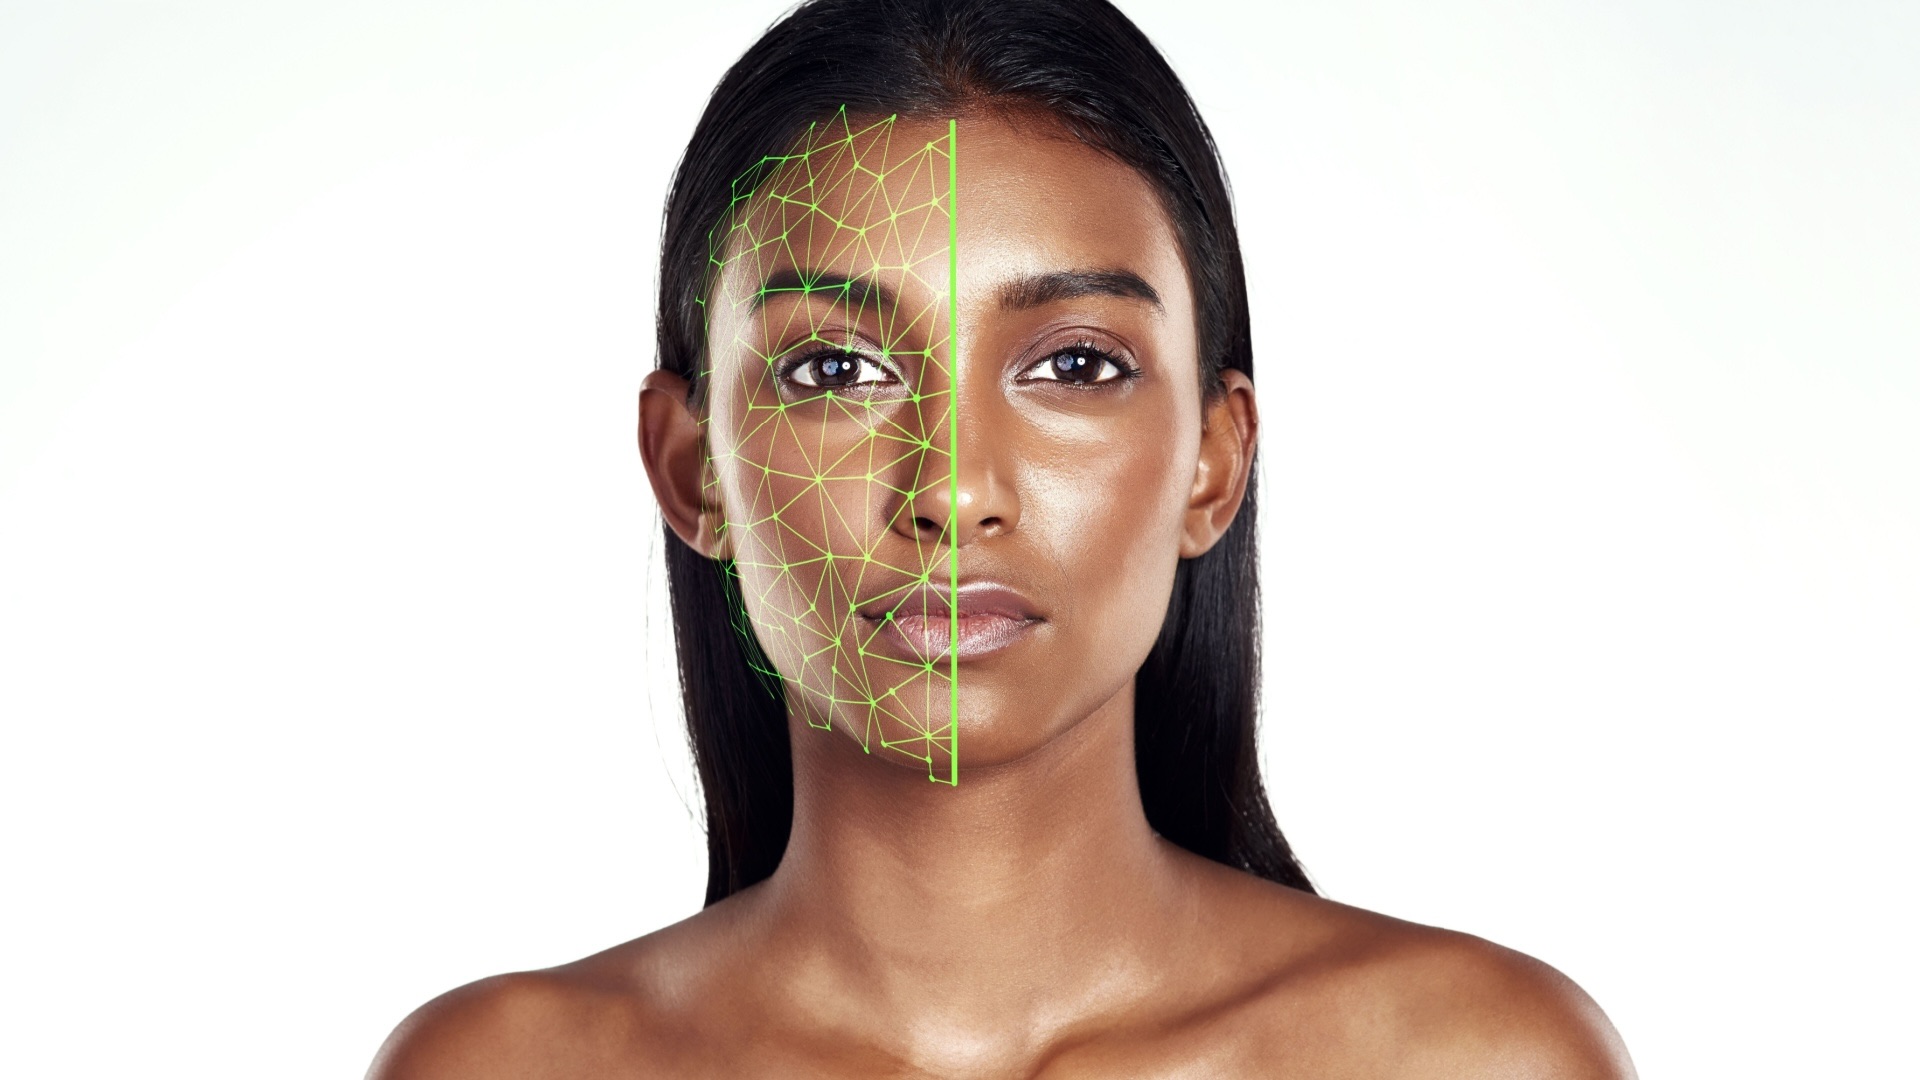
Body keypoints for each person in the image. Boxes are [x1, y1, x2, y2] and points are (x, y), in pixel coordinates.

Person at [369, 0, 1636, 1075]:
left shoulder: (1469, 1057)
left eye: (1076, 364)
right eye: (834, 368)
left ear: (1214, 459)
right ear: (692, 466)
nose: (954, 487)